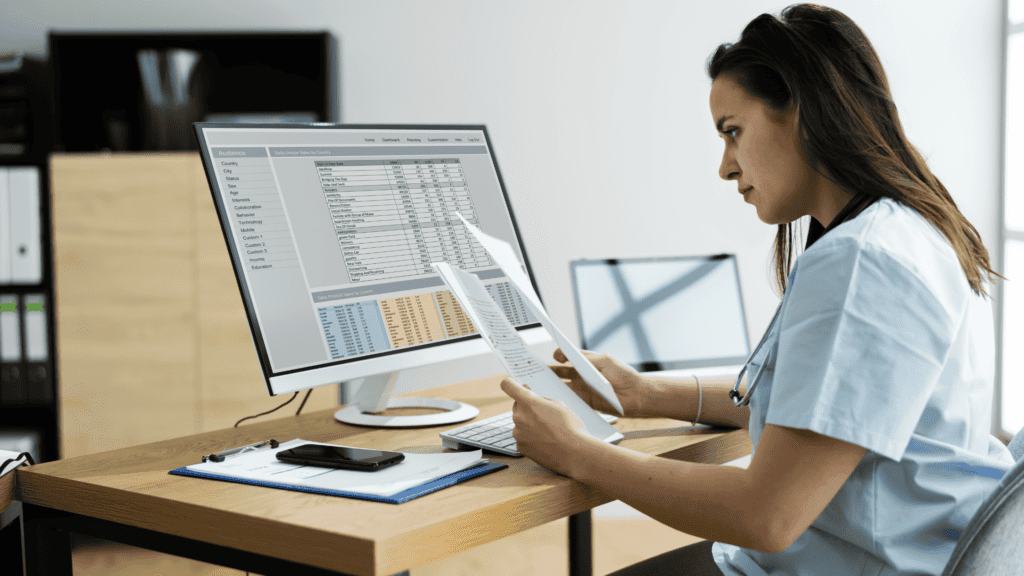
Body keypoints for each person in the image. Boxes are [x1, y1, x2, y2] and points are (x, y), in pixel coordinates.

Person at [498, 4, 1016, 576]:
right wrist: (646, 394)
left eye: (733, 132)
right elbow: (821, 411)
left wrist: (577, 453)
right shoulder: (914, 228)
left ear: (800, 112)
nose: (725, 166)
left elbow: (767, 516)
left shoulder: (861, 260)